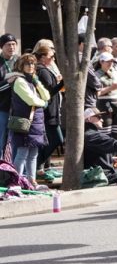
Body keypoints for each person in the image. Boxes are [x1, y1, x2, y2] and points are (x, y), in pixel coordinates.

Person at [7, 54, 50, 184]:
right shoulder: (19, 81)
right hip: (25, 123)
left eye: (32, 63)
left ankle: (32, 181)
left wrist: (37, 82)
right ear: (21, 66)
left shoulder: (32, 80)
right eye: (27, 64)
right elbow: (31, 99)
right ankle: (16, 181)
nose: (31, 66)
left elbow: (46, 96)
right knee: (22, 154)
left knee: (33, 155)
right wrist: (43, 103)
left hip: (36, 123)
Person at [83, 107, 117, 183]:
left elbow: (94, 156)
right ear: (88, 119)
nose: (102, 120)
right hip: (105, 176)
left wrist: (111, 159)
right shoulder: (93, 136)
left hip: (102, 173)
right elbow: (116, 145)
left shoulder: (87, 134)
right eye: (99, 117)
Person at [34, 46, 64, 177]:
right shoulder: (42, 71)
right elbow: (49, 91)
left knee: (48, 140)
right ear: (42, 57)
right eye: (50, 56)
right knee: (57, 139)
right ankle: (37, 164)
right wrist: (63, 82)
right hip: (48, 111)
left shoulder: (44, 70)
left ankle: (40, 166)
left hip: (51, 110)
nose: (53, 59)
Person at [95, 53, 117, 139]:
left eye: (112, 61)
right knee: (105, 135)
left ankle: (115, 152)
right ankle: (106, 153)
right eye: (108, 61)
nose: (110, 63)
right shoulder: (96, 75)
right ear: (101, 62)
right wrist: (110, 88)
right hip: (103, 105)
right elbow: (95, 93)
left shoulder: (116, 73)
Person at [0, 33, 19, 156]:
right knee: (1, 139)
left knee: (17, 140)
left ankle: (13, 170)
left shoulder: (19, 60)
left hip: (19, 107)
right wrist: (8, 81)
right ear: (2, 46)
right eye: (8, 45)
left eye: (13, 44)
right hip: (2, 107)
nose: (11, 47)